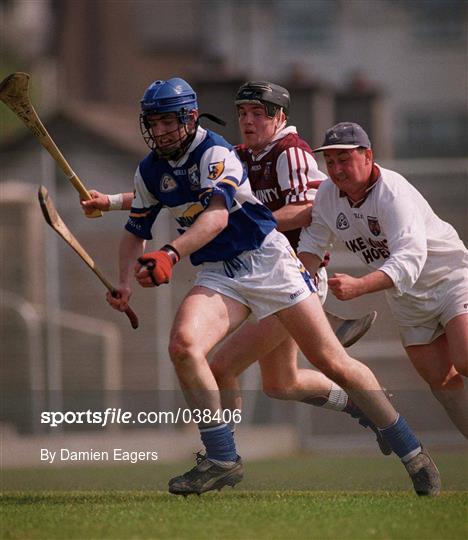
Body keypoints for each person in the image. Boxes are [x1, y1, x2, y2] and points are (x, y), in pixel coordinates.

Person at [88, 77, 440, 497]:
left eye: (168, 121)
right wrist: (125, 278)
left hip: (273, 263)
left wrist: (169, 253)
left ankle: (411, 450)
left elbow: (218, 217)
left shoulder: (223, 152)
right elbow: (142, 219)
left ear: (189, 118)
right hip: (220, 271)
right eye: (153, 122)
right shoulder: (154, 168)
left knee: (332, 363)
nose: (160, 130)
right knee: (188, 347)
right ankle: (221, 457)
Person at [207, 81, 386, 452]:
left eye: (259, 113)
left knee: (221, 367)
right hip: (268, 281)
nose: (248, 121)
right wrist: (115, 202)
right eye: (243, 114)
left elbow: (309, 208)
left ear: (280, 118)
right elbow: (182, 192)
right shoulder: (240, 155)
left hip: (293, 280)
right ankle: (364, 404)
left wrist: (255, 224)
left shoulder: (290, 151)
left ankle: (223, 457)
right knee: (280, 384)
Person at [298, 121, 468, 439]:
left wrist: (359, 286)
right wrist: (292, 286)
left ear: (368, 156)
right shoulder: (327, 196)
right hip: (408, 300)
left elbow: (410, 260)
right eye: (330, 161)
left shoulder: (392, 192)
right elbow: (311, 246)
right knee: (443, 383)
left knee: (466, 358)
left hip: (450, 278)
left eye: (344, 159)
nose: (336, 169)